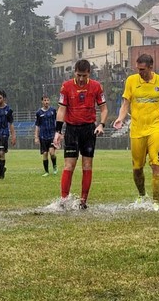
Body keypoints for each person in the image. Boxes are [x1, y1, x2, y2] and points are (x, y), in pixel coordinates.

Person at [113, 54, 159, 212]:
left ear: (151, 67)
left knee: (156, 165)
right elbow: (125, 104)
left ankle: (156, 202)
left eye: (142, 69)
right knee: (137, 168)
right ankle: (141, 194)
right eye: (138, 69)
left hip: (155, 129)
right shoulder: (131, 81)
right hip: (137, 130)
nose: (140, 72)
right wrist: (120, 118)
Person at [53, 59, 108, 210]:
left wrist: (101, 125)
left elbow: (104, 109)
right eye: (79, 75)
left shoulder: (96, 86)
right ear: (74, 73)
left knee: (87, 165)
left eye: (84, 75)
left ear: (89, 73)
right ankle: (64, 200)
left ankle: (83, 201)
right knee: (69, 165)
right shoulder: (66, 86)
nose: (81, 79)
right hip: (71, 129)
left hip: (89, 130)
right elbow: (62, 109)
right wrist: (58, 131)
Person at [34, 96, 58, 176]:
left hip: (51, 135)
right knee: (45, 154)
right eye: (45, 100)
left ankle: (54, 166)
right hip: (43, 136)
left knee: (52, 153)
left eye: (48, 100)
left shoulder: (53, 111)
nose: (46, 102)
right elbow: (37, 125)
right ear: (42, 102)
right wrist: (36, 137)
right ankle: (46, 171)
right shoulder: (39, 113)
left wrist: (58, 133)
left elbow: (57, 122)